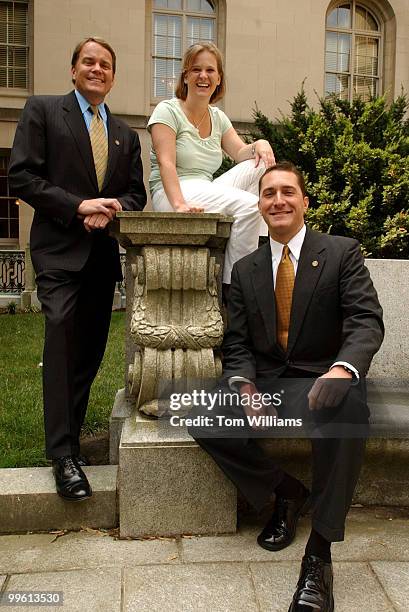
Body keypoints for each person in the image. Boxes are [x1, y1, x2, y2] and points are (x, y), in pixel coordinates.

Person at [191, 162, 384, 611]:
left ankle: (318, 555)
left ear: (304, 202)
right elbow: (236, 343)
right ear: (259, 205)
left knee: (349, 415)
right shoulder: (245, 269)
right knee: (196, 412)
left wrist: (342, 370)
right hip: (272, 382)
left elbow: (364, 319)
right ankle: (286, 490)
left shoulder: (341, 252)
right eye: (268, 194)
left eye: (287, 192)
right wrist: (244, 387)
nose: (278, 200)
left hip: (326, 376)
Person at [8, 37, 146, 501]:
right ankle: (62, 454)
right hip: (58, 252)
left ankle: (71, 442)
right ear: (73, 70)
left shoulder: (126, 135)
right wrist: (78, 205)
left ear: (112, 76)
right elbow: (22, 176)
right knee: (61, 335)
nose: (97, 69)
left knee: (88, 351)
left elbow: (135, 195)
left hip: (101, 256)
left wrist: (108, 211)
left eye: (105, 64)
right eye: (89, 61)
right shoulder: (44, 111)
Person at [147, 42, 275, 289]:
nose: (203, 76)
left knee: (262, 165)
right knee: (250, 204)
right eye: (196, 70)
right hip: (172, 192)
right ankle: (234, 287)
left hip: (205, 187)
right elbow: (166, 162)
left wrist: (260, 143)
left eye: (210, 70)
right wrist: (179, 205)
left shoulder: (217, 116)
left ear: (218, 79)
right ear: (185, 76)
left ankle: (255, 240)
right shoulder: (167, 110)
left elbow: (240, 153)